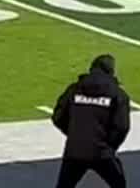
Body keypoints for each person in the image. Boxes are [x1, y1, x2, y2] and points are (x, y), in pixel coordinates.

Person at [51, 53, 131, 188]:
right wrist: (109, 146)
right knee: (119, 184)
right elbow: (122, 127)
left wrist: (73, 133)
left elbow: (58, 116)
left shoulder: (74, 89)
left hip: (75, 150)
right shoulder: (117, 94)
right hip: (102, 151)